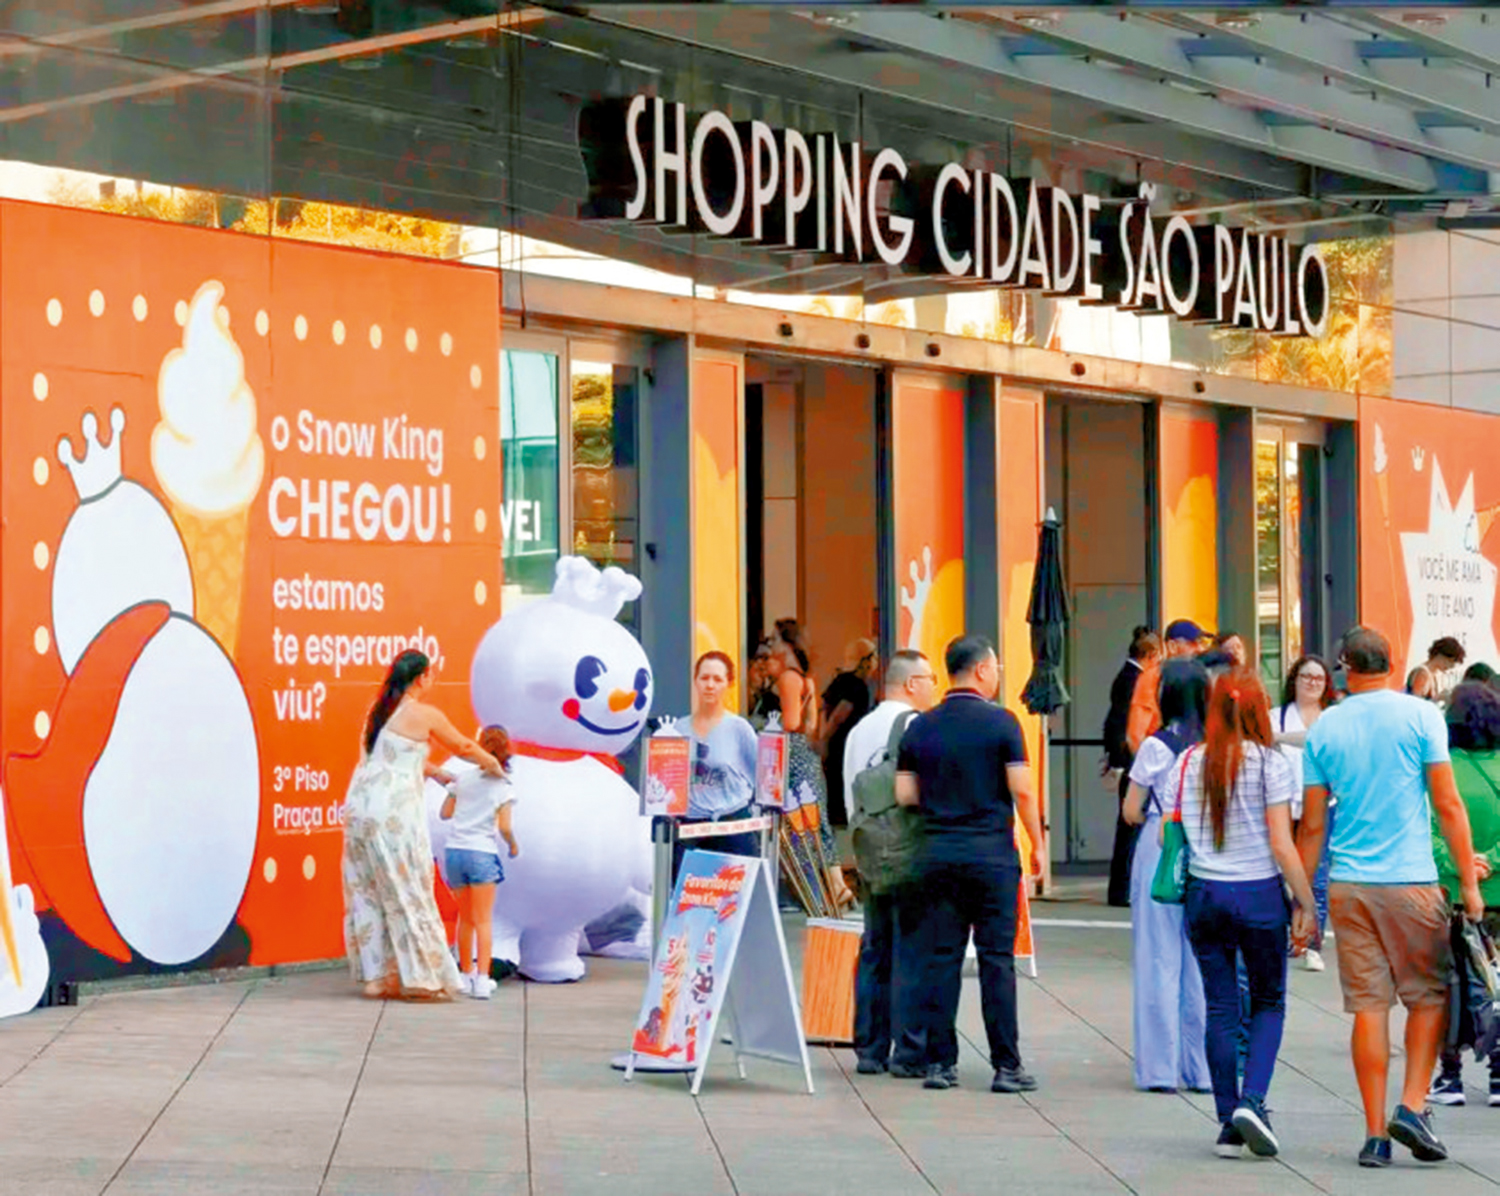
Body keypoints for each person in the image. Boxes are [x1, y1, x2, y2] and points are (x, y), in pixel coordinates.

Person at [1298, 626, 1483, 1168]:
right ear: (1391, 662)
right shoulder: (1422, 717)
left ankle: (1375, 1134)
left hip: (1350, 886)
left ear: (1345, 667)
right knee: (1428, 997)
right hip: (1410, 881)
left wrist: (1305, 903)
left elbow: (1312, 827)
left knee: (1369, 1008)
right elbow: (1447, 804)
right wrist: (1469, 884)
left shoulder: (1325, 728)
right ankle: (1413, 1104)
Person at [1170, 670, 1317, 1159]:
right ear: (1258, 711)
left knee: (1220, 1007)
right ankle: (1252, 1100)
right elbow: (1282, 844)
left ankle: (1227, 1122)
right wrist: (1306, 902)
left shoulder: (1188, 761)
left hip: (1204, 893)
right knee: (1268, 1002)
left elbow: (1170, 829)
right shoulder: (1269, 764)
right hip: (1258, 895)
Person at [895, 635, 1046, 1095]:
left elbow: (905, 794)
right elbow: (1022, 789)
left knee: (942, 958)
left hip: (937, 855)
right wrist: (1038, 844)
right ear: (981, 670)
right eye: (996, 666)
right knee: (997, 960)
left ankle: (941, 1063)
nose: (998, 674)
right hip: (991, 856)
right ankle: (1006, 1066)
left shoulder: (920, 727)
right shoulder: (1003, 723)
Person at [342, 649, 504, 1001]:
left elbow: (387, 758)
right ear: (421, 677)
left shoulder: (378, 711)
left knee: (367, 891)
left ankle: (376, 978)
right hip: (394, 814)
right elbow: (463, 745)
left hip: (360, 808)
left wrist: (436, 772)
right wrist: (492, 763)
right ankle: (420, 977)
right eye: (431, 675)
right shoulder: (424, 714)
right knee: (408, 888)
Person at [844, 649, 939, 1076]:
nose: (934, 687)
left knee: (875, 948)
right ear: (912, 683)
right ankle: (910, 1049)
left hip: (868, 851)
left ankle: (870, 1047)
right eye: (931, 679)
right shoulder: (916, 725)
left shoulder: (858, 729)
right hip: (907, 852)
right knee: (912, 950)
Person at [1121, 659, 1212, 1094]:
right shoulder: (1216, 745)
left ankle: (1160, 1069)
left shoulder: (1157, 747)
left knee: (1158, 957)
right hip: (1207, 850)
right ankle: (1203, 1068)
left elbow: (1131, 810)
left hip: (1161, 846)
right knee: (1202, 962)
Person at [1428, 682, 1500, 1108]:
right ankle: (1499, 1074)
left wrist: (1462, 862)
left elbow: (1428, 831)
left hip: (1453, 894)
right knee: (1497, 983)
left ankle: (1450, 1075)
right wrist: (1490, 859)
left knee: (1450, 987)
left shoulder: (1442, 769)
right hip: (1498, 890)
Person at [766, 618, 852, 908]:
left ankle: (814, 890)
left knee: (798, 821)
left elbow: (791, 722)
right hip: (808, 753)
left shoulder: (787, 679)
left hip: (792, 753)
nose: (772, 645)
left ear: (787, 644)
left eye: (776, 639)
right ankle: (837, 884)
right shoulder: (808, 678)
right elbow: (812, 725)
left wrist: (769, 727)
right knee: (818, 820)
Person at [440, 726, 519, 1000]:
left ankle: (465, 975)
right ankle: (483, 980)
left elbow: (445, 813)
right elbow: (505, 827)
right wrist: (513, 845)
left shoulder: (463, 779)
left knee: (466, 919)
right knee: (484, 921)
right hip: (482, 852)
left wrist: (457, 795)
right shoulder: (504, 786)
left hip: (454, 852)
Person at [1274, 655, 1337, 972]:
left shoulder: (1332, 718)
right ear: (1294, 680)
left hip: (1323, 805)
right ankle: (1288, 934)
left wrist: (1282, 740)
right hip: (1283, 806)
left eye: (1318, 678)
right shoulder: (1276, 716)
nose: (1312, 683)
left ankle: (1312, 943)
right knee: (1283, 874)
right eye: (1306, 676)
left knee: (1318, 877)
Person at [679, 651, 761, 878]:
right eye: (704, 678)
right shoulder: (678, 729)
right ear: (695, 681)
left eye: (717, 679)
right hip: (690, 829)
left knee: (737, 895)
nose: (710, 685)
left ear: (729, 684)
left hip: (733, 827)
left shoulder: (739, 729)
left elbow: (761, 777)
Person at [1104, 627, 1161, 908]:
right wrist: (1123, 760)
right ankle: (1121, 889)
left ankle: (1122, 887)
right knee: (1130, 825)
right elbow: (1122, 723)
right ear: (1150, 655)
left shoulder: (1125, 676)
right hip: (1132, 759)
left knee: (1129, 826)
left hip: (1126, 758)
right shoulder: (1134, 679)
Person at [1127, 619, 1209, 754]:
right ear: (1172, 646)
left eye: (1202, 643)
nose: (1200, 649)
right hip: (1166, 753)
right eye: (1193, 644)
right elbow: (1137, 732)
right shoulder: (1154, 677)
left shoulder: (1202, 674)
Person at [822, 638, 878, 826]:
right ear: (865, 661)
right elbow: (839, 714)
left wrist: (822, 738)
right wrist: (825, 739)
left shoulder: (838, 681)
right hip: (843, 746)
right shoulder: (856, 686)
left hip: (835, 745)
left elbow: (825, 709)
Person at [1409, 636, 1468, 705]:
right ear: (1440, 655)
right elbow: (1415, 701)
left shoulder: (1436, 674)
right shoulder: (1422, 673)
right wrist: (1439, 697)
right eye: (1449, 661)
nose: (1449, 667)